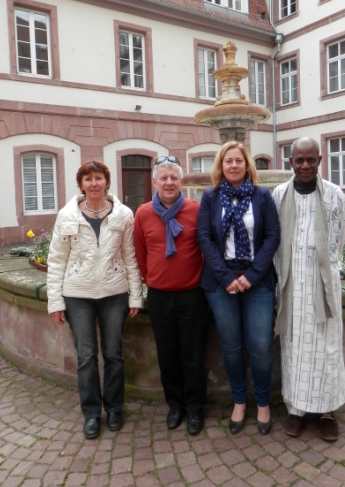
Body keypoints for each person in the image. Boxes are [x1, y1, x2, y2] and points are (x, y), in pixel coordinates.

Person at [47, 160, 143, 439]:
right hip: (77, 295)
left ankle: (114, 409)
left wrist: (135, 296)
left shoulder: (123, 215)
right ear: (81, 184)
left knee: (113, 354)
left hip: (114, 293)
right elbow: (56, 260)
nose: (93, 184)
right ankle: (91, 413)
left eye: (98, 178)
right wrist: (55, 302)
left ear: (107, 182)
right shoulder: (67, 215)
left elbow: (130, 257)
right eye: (88, 179)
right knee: (86, 357)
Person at [197, 141, 280, 435]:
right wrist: (226, 278)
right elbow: (204, 238)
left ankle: (262, 403)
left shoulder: (262, 196)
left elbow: (272, 237)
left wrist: (252, 276)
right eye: (228, 161)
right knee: (231, 347)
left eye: (239, 161)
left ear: (247, 166)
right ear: (220, 166)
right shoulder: (210, 197)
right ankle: (239, 402)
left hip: (256, 281)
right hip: (221, 282)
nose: (234, 165)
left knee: (259, 347)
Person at [272, 137, 345, 442]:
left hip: (324, 288)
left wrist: (322, 272)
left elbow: (339, 239)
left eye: (311, 160)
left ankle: (328, 411)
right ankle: (296, 410)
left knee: (326, 348)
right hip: (291, 287)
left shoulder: (334, 195)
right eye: (299, 160)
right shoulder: (279, 194)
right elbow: (275, 240)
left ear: (320, 160)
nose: (305, 166)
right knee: (294, 349)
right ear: (290, 162)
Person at [134, 156, 208, 436]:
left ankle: (196, 408)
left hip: (192, 296)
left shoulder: (195, 210)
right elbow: (140, 254)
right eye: (163, 177)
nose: (168, 182)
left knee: (193, 354)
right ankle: (175, 405)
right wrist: (151, 279)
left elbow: (205, 248)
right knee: (167, 355)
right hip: (160, 297)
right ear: (155, 182)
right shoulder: (142, 214)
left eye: (173, 177)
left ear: (182, 182)